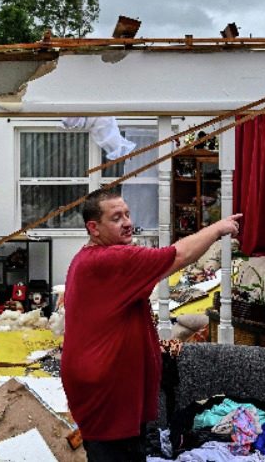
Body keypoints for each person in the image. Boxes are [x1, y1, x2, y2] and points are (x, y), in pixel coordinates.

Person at [61, 188, 241, 461]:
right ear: (94, 228)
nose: (127, 222)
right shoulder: (109, 260)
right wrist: (218, 228)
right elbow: (178, 256)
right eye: (116, 217)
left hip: (109, 389)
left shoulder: (94, 257)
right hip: (107, 393)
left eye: (127, 214)